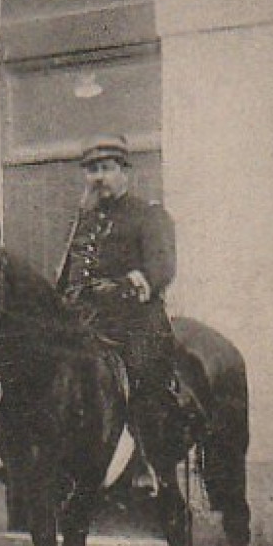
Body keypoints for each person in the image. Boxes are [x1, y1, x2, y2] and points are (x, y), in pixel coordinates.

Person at [56, 133, 181, 454]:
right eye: (91, 170)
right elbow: (68, 274)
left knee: (142, 381)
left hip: (134, 321)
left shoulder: (147, 214)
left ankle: (148, 461)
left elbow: (162, 268)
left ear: (124, 171)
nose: (98, 178)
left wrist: (123, 287)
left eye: (106, 168)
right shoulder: (81, 221)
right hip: (87, 322)